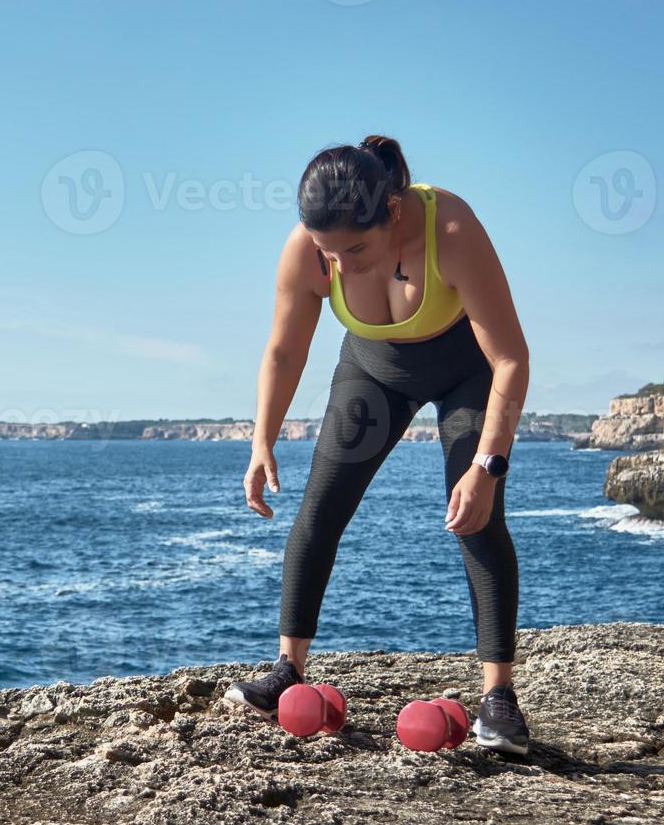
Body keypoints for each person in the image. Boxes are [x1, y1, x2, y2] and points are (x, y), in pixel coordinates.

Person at [222, 135, 531, 755]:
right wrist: (261, 441)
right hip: (374, 373)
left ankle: (499, 700)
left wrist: (487, 466)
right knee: (320, 508)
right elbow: (285, 351)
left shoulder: (450, 225)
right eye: (327, 251)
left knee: (475, 516)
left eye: (356, 250)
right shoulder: (308, 251)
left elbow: (510, 358)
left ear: (391, 211)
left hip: (467, 371)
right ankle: (288, 667)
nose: (342, 266)